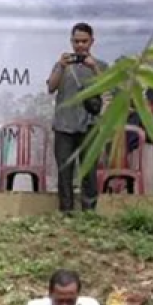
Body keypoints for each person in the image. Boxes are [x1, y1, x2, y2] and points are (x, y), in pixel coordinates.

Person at [48, 22, 107, 213]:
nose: (80, 45)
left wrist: (94, 68)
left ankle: (89, 210)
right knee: (65, 170)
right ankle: (66, 210)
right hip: (64, 125)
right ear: (71, 41)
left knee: (88, 170)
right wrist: (60, 65)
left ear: (92, 41)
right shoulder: (63, 63)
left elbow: (107, 88)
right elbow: (51, 87)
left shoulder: (101, 65)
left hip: (89, 125)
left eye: (84, 41)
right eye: (76, 41)